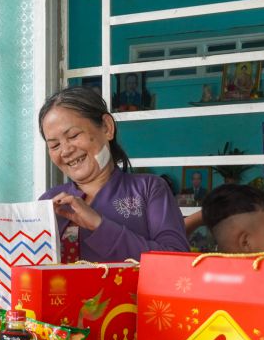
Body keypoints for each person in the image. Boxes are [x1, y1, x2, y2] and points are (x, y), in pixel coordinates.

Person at [38, 86, 190, 263]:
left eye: (73, 135)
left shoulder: (149, 189)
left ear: (107, 128)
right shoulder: (48, 202)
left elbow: (177, 261)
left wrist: (99, 225)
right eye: (54, 145)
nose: (65, 151)